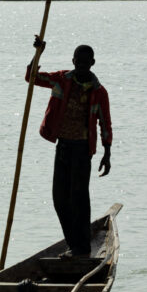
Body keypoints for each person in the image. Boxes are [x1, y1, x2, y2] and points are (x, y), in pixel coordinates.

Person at [26, 37, 112, 256]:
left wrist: (107, 151)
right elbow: (32, 77)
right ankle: (75, 245)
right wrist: (38, 53)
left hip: (83, 151)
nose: (81, 66)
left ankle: (81, 249)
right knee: (59, 199)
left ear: (92, 63)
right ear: (73, 61)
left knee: (79, 199)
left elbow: (105, 123)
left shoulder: (99, 92)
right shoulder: (61, 80)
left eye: (85, 63)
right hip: (63, 147)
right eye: (78, 62)